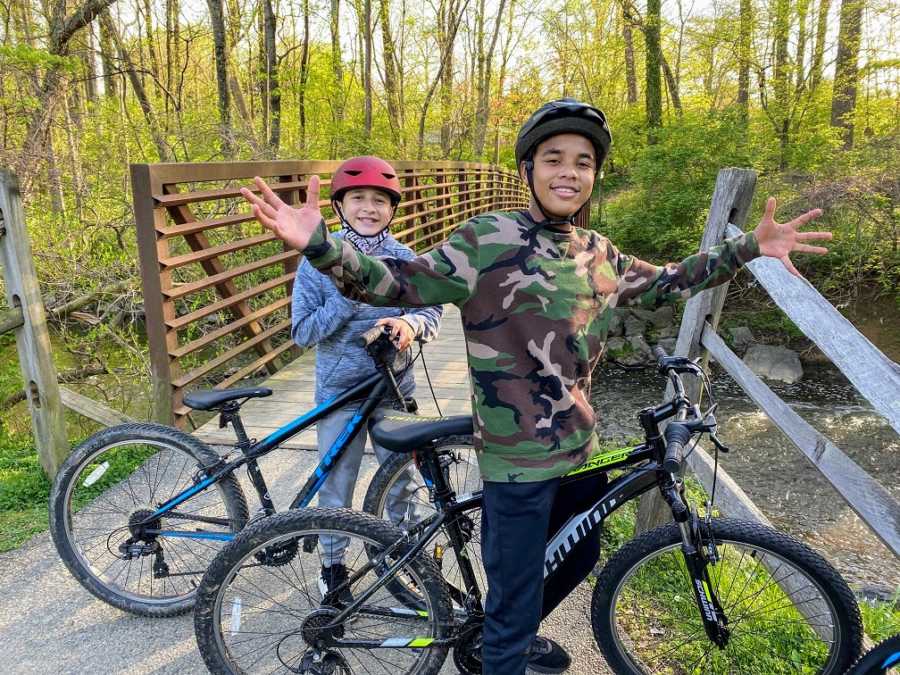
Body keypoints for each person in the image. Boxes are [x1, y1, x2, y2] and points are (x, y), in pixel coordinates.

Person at [242, 99, 832, 674]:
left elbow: (666, 284)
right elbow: (395, 282)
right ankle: (504, 648)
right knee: (512, 603)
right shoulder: (487, 239)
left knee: (581, 554)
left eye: (582, 161)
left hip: (577, 449)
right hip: (514, 459)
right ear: (529, 170)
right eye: (553, 158)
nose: (569, 172)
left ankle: (512, 637)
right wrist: (321, 244)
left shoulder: (598, 253)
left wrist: (749, 247)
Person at [289, 156, 443, 601]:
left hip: (395, 389)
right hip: (341, 392)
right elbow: (301, 333)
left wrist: (410, 326)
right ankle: (333, 567)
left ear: (392, 208)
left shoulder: (404, 259)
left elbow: (430, 308)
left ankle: (409, 560)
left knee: (403, 482)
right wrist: (347, 299)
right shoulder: (317, 259)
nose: (369, 208)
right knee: (337, 484)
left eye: (379, 200)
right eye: (358, 198)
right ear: (340, 205)